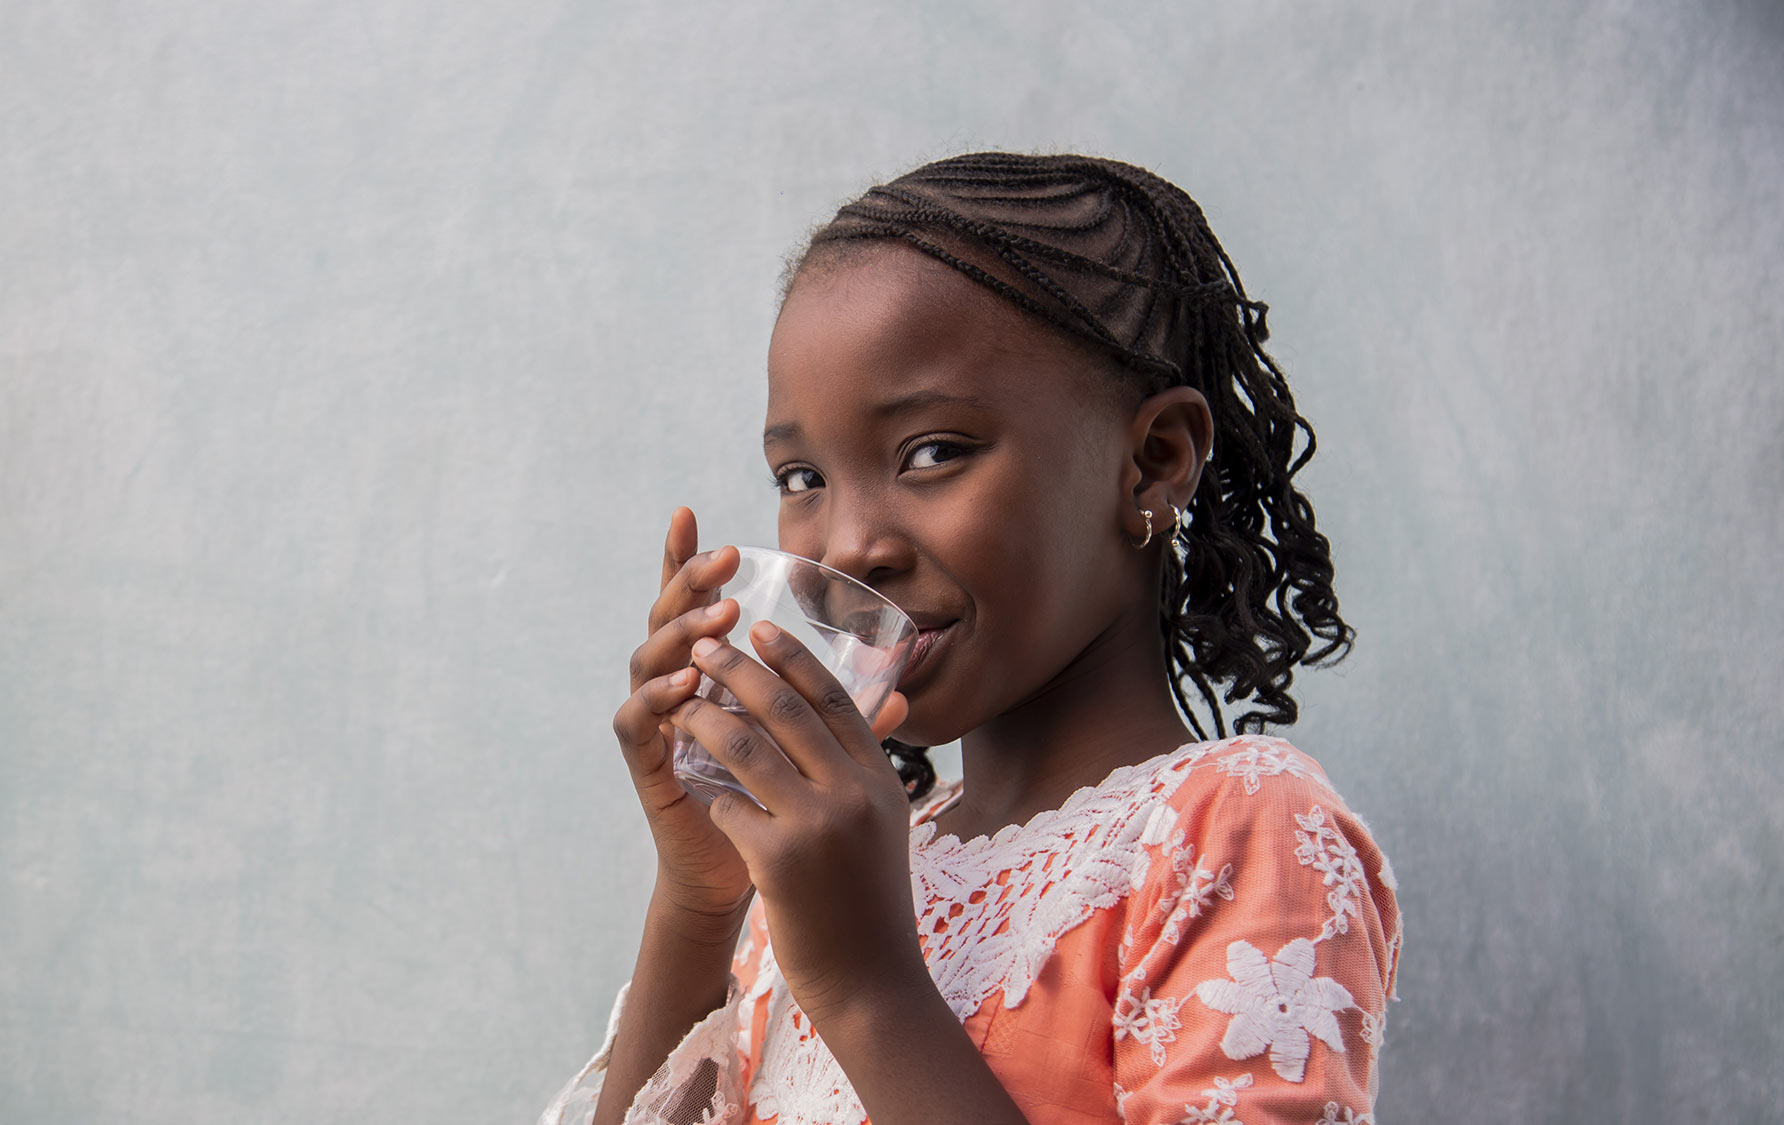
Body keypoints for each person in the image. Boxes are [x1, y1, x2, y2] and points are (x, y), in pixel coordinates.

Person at [542, 152, 1401, 1125]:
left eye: (932, 453)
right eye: (800, 478)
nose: (848, 547)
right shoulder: (838, 870)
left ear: (1153, 465)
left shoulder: (1233, 830)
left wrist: (869, 990)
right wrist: (700, 902)